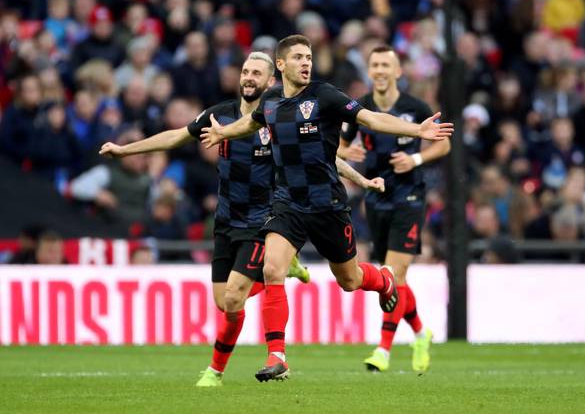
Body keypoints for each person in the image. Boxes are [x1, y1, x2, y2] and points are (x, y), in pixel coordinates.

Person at [100, 51, 384, 387]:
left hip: (264, 222)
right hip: (226, 221)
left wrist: (362, 181)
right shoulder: (221, 116)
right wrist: (124, 149)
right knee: (226, 303)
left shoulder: (278, 115)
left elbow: (325, 160)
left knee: (236, 293)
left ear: (270, 81)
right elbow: (175, 136)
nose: (248, 78)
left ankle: (218, 369)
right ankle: (278, 274)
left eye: (256, 73)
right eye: (245, 72)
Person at [201, 34, 453, 382]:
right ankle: (277, 356)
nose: (307, 63)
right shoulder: (272, 100)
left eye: (309, 57)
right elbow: (252, 123)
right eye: (299, 57)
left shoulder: (325, 96)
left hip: (328, 205)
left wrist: (416, 130)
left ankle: (384, 280)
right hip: (287, 203)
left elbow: (371, 119)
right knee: (273, 269)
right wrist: (224, 133)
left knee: (349, 280)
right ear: (281, 64)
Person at [339, 45, 451, 374]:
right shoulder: (361, 109)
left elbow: (443, 142)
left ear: (398, 71)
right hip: (375, 195)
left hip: (409, 196)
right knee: (394, 276)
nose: (380, 70)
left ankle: (383, 349)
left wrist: (415, 159)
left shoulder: (415, 108)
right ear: (369, 71)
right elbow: (342, 144)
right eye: (375, 64)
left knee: (394, 274)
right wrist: (349, 152)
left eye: (386, 64)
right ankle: (420, 332)